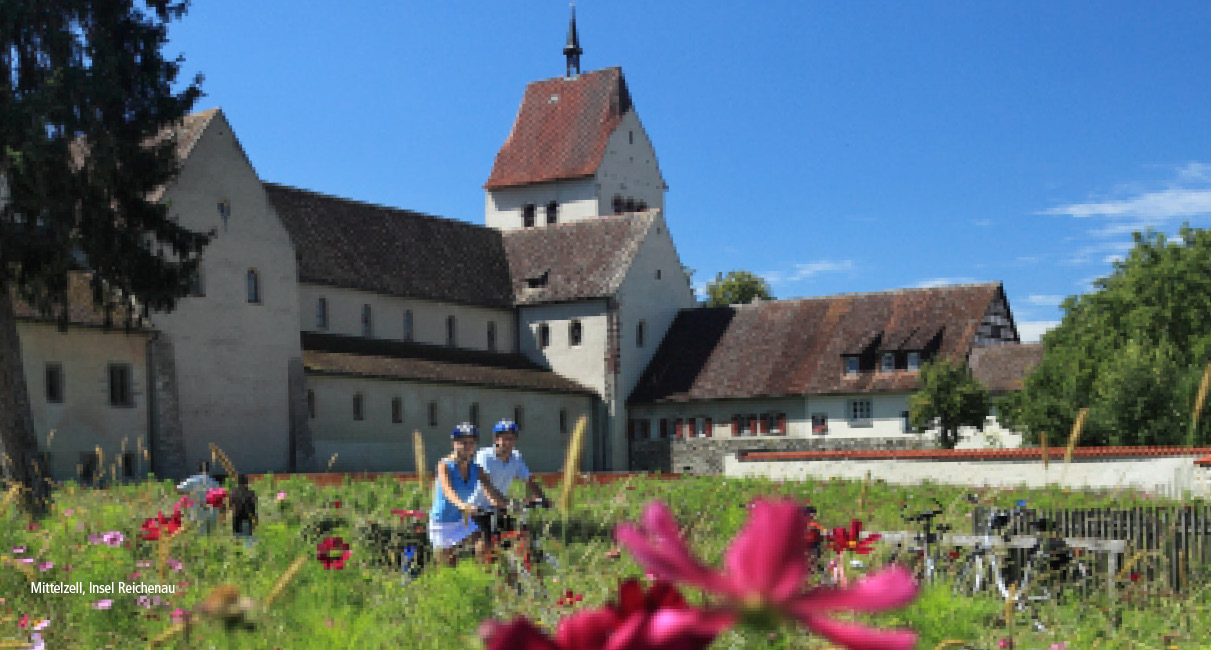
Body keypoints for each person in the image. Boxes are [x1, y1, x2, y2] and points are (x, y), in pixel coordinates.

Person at [428, 423, 508, 566]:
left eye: (471, 442)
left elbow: (490, 489)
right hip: (442, 524)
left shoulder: (476, 469)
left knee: (484, 543)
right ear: (454, 443)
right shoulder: (444, 465)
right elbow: (447, 490)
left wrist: (507, 504)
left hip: (463, 521)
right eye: (463, 442)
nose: (467, 446)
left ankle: (484, 578)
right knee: (448, 568)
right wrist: (463, 505)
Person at [468, 419, 549, 557]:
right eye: (504, 438)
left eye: (511, 439)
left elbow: (529, 481)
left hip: (500, 506)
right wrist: (502, 502)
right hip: (478, 507)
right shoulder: (484, 455)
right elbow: (485, 483)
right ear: (496, 439)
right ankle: (481, 573)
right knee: (484, 543)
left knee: (521, 536)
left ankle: (514, 569)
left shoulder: (516, 457)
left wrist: (542, 498)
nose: (508, 443)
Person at [177, 461, 220, 527]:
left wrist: (189, 492)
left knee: (198, 534)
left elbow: (178, 489)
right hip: (211, 512)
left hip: (196, 511)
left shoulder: (191, 480)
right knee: (211, 534)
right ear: (208, 469)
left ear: (198, 469)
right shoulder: (214, 482)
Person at [229, 474, 257, 539]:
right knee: (247, 540)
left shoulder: (234, 492)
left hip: (236, 518)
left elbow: (230, 505)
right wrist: (254, 518)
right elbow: (253, 508)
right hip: (247, 518)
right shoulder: (251, 493)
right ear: (247, 482)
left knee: (237, 539)